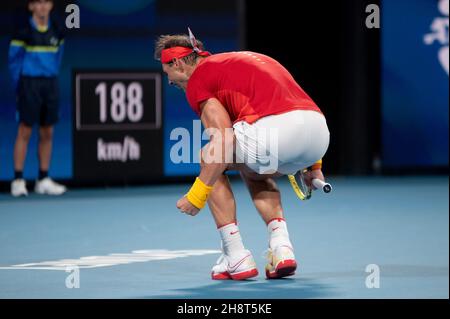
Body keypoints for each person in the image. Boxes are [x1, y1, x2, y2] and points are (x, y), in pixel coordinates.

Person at [154, 29, 330, 280]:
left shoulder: (198, 79)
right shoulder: (241, 63)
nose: (172, 83)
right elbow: (295, 108)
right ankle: (282, 247)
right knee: (255, 170)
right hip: (319, 134)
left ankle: (235, 255)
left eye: (169, 75)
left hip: (278, 133)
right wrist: (314, 167)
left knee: (211, 158)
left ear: (178, 63)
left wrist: (197, 195)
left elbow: (223, 139)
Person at [8, 0, 66, 197]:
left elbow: (58, 58)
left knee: (47, 131)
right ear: (31, 6)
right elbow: (14, 60)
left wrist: (49, 75)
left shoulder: (57, 30)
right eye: (37, 3)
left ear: (50, 6)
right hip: (28, 84)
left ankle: (43, 179)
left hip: (50, 84)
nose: (42, 6)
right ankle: (17, 180)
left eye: (45, 2)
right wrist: (20, 86)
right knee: (24, 130)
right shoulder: (23, 31)